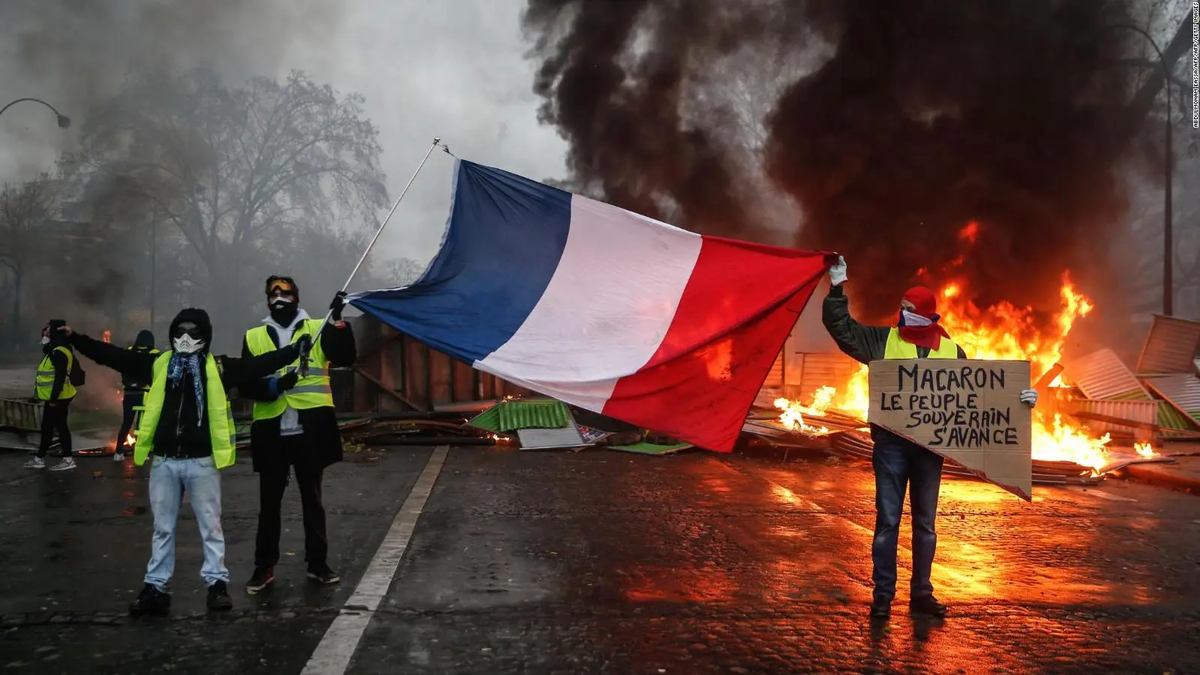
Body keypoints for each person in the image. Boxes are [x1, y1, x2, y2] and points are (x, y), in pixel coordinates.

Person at [821, 256, 1038, 620]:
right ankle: (883, 595)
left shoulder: (952, 352)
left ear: (927, 314)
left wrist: (1019, 401)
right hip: (891, 445)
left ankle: (921, 593)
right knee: (888, 520)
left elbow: (979, 398)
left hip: (930, 448)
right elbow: (843, 329)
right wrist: (837, 288)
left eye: (909, 310)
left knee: (925, 524)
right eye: (901, 308)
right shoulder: (882, 340)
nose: (902, 314)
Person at [61, 309, 308, 616]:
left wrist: (291, 352)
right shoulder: (159, 364)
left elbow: (256, 365)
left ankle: (216, 585)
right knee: (162, 528)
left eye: (194, 333)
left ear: (205, 336)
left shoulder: (218, 367)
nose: (186, 339)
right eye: (180, 332)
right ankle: (156, 587)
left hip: (202, 461)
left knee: (210, 527)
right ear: (171, 334)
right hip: (165, 461)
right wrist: (76, 339)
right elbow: (113, 356)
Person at [240, 276, 356, 594]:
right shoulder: (253, 336)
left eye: (285, 292)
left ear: (296, 296)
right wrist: (276, 385)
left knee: (312, 501)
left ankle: (317, 564)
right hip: (271, 429)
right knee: (269, 504)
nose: (279, 297)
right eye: (273, 293)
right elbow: (246, 383)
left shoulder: (318, 328)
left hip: (309, 428)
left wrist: (338, 321)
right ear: (266, 299)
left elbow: (345, 357)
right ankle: (264, 567)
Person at [25, 320, 79, 472]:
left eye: (48, 330)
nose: (45, 332)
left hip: (60, 397)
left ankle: (67, 459)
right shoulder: (55, 349)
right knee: (48, 427)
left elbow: (60, 377)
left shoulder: (59, 351)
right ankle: (40, 458)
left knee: (60, 427)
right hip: (56, 397)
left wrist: (54, 399)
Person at [114, 330, 159, 462]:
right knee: (142, 425)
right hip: (144, 394)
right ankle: (140, 453)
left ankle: (118, 453)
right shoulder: (154, 354)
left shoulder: (129, 352)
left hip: (128, 394)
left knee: (126, 423)